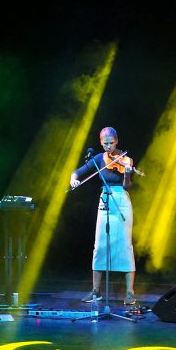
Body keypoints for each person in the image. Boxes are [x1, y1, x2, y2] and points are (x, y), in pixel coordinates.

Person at [70, 126, 136, 305]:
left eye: (112, 143)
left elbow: (127, 187)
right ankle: (95, 291)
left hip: (121, 201)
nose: (109, 147)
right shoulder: (99, 158)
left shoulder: (125, 159)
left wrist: (127, 174)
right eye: (105, 143)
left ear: (117, 141)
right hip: (104, 201)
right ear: (100, 142)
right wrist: (73, 179)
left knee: (125, 244)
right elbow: (78, 171)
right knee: (99, 246)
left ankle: (130, 293)